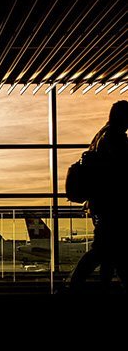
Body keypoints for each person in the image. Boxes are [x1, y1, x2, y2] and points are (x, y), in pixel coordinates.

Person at [69, 100, 128, 292]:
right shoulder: (115, 138)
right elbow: (119, 169)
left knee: (107, 250)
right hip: (112, 204)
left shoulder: (101, 136)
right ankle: (75, 285)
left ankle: (91, 285)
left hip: (101, 204)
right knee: (106, 250)